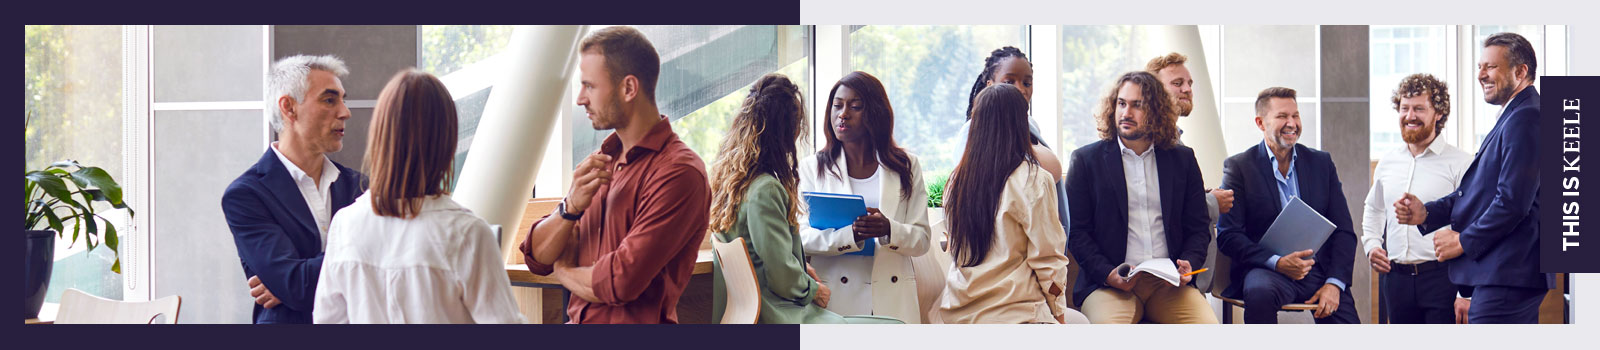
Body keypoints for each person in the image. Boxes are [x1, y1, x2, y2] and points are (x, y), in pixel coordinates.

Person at [517, 26, 711, 324]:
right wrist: (570, 208)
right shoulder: (598, 165)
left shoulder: (680, 173)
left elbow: (620, 281)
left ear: (629, 88)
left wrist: (565, 271)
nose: (580, 98)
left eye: (589, 86)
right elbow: (537, 258)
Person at [311, 69, 524, 324]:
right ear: (446, 140)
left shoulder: (346, 225)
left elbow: (328, 321)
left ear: (380, 137)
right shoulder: (467, 233)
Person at [708, 73, 903, 324]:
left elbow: (770, 257)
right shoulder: (766, 190)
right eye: (798, 123)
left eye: (855, 107)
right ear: (786, 130)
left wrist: (802, 271)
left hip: (753, 314)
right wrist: (813, 289)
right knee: (895, 328)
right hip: (780, 316)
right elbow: (780, 275)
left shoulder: (733, 184)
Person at [1395, 32, 1554, 324]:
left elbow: (1513, 203)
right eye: (1480, 66)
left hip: (1509, 275)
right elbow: (1479, 193)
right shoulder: (1514, 115)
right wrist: (1428, 212)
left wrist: (1463, 242)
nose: (1481, 75)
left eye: (1491, 67)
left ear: (1521, 72)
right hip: (1502, 276)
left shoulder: (1527, 117)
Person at [222, 55, 364, 324]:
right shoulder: (246, 195)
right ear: (289, 107)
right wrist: (361, 260)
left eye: (343, 100)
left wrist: (289, 282)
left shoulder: (361, 187)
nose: (345, 112)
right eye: (330, 100)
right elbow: (297, 287)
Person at [1065, 72, 1217, 324]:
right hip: (1110, 285)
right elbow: (1078, 232)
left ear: (1156, 111)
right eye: (1122, 103)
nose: (1126, 113)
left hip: (1169, 285)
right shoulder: (1086, 161)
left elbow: (1199, 227)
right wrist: (1108, 273)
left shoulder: (1183, 159)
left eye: (1137, 105)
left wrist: (1190, 263)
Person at [938, 83, 1080, 324]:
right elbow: (1048, 259)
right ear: (1020, 123)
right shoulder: (1034, 178)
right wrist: (1059, 314)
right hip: (1017, 314)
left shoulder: (955, 181)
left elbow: (954, 248)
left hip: (959, 313)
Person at [797, 71, 932, 323]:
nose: (843, 114)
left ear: (875, 113)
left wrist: (889, 229)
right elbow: (800, 238)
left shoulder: (906, 166)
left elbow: (922, 240)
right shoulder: (812, 168)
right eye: (837, 105)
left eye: (855, 106)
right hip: (836, 301)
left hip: (893, 300)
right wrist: (851, 236)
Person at [1216, 87, 1359, 324]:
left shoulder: (1321, 164)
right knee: (1259, 290)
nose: (1292, 123)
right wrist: (1278, 262)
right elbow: (1229, 236)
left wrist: (1334, 283)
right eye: (1282, 116)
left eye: (1296, 115)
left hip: (1318, 272)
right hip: (1267, 271)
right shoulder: (1239, 167)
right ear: (1260, 123)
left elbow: (1344, 232)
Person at [1362, 73, 1473, 324]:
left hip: (1443, 279)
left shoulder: (1461, 163)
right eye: (1404, 108)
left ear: (1439, 114)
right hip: (1395, 279)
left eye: (1419, 109)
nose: (1410, 116)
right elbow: (1374, 208)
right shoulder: (1388, 161)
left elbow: (1470, 225)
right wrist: (1372, 245)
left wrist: (1466, 292)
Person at [1146, 52, 1234, 219]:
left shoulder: (1175, 136)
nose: (1187, 90)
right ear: (1153, 91)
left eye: (1189, 83)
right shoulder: (1149, 141)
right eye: (1177, 83)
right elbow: (1163, 207)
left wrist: (1203, 194)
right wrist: (1212, 202)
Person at [955, 46, 1062, 181]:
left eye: (1027, 83)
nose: (1021, 89)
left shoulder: (1030, 124)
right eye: (1009, 82)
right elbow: (966, 183)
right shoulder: (972, 130)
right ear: (990, 85)